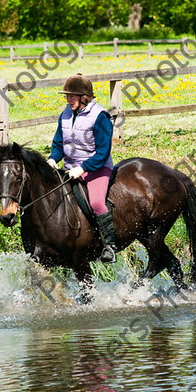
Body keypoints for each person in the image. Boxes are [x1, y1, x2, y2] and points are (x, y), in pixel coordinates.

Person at [47, 73, 117, 263]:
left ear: (84, 97)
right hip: (70, 168)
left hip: (97, 169)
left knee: (96, 202)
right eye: (66, 96)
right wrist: (53, 158)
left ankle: (110, 246)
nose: (68, 100)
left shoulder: (100, 116)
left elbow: (103, 152)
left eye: (72, 96)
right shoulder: (66, 114)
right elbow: (59, 143)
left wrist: (83, 168)